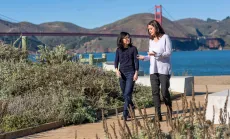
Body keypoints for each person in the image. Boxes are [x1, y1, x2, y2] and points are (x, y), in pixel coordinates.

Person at [137, 20, 172, 121]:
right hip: (153, 70)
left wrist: (156, 54)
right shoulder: (151, 40)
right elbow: (150, 56)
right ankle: (158, 115)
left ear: (156, 27)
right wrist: (144, 57)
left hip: (164, 69)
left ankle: (169, 109)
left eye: (151, 29)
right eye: (148, 29)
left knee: (164, 92)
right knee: (155, 92)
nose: (149, 31)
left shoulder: (165, 37)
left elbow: (168, 53)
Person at [114, 32, 139, 121]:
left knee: (127, 93)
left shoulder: (133, 49)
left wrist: (136, 72)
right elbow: (116, 62)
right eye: (125, 38)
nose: (128, 39)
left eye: (128, 37)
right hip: (122, 74)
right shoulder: (118, 50)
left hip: (131, 73)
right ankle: (131, 106)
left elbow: (136, 61)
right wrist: (117, 71)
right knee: (125, 94)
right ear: (121, 40)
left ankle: (125, 114)